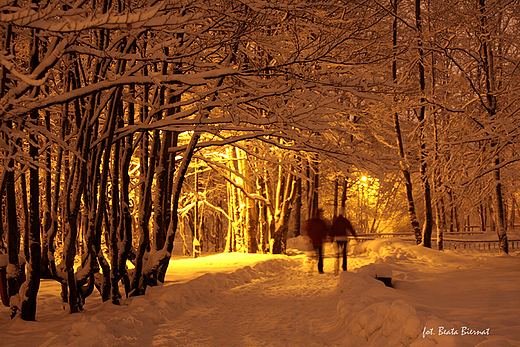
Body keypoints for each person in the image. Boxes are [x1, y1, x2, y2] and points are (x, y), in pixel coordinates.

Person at [330, 207, 357, 272]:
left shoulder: (335, 221)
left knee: (337, 253)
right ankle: (344, 267)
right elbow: (350, 228)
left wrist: (332, 238)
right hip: (344, 238)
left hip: (338, 239)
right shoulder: (345, 220)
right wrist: (355, 236)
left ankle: (336, 267)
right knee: (344, 253)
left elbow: (332, 229)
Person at [305, 208, 329, 274]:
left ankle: (310, 268)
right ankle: (320, 269)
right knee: (320, 255)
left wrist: (311, 237)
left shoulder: (311, 222)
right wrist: (324, 237)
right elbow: (324, 230)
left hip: (313, 241)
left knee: (313, 255)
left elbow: (308, 230)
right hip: (319, 241)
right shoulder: (321, 222)